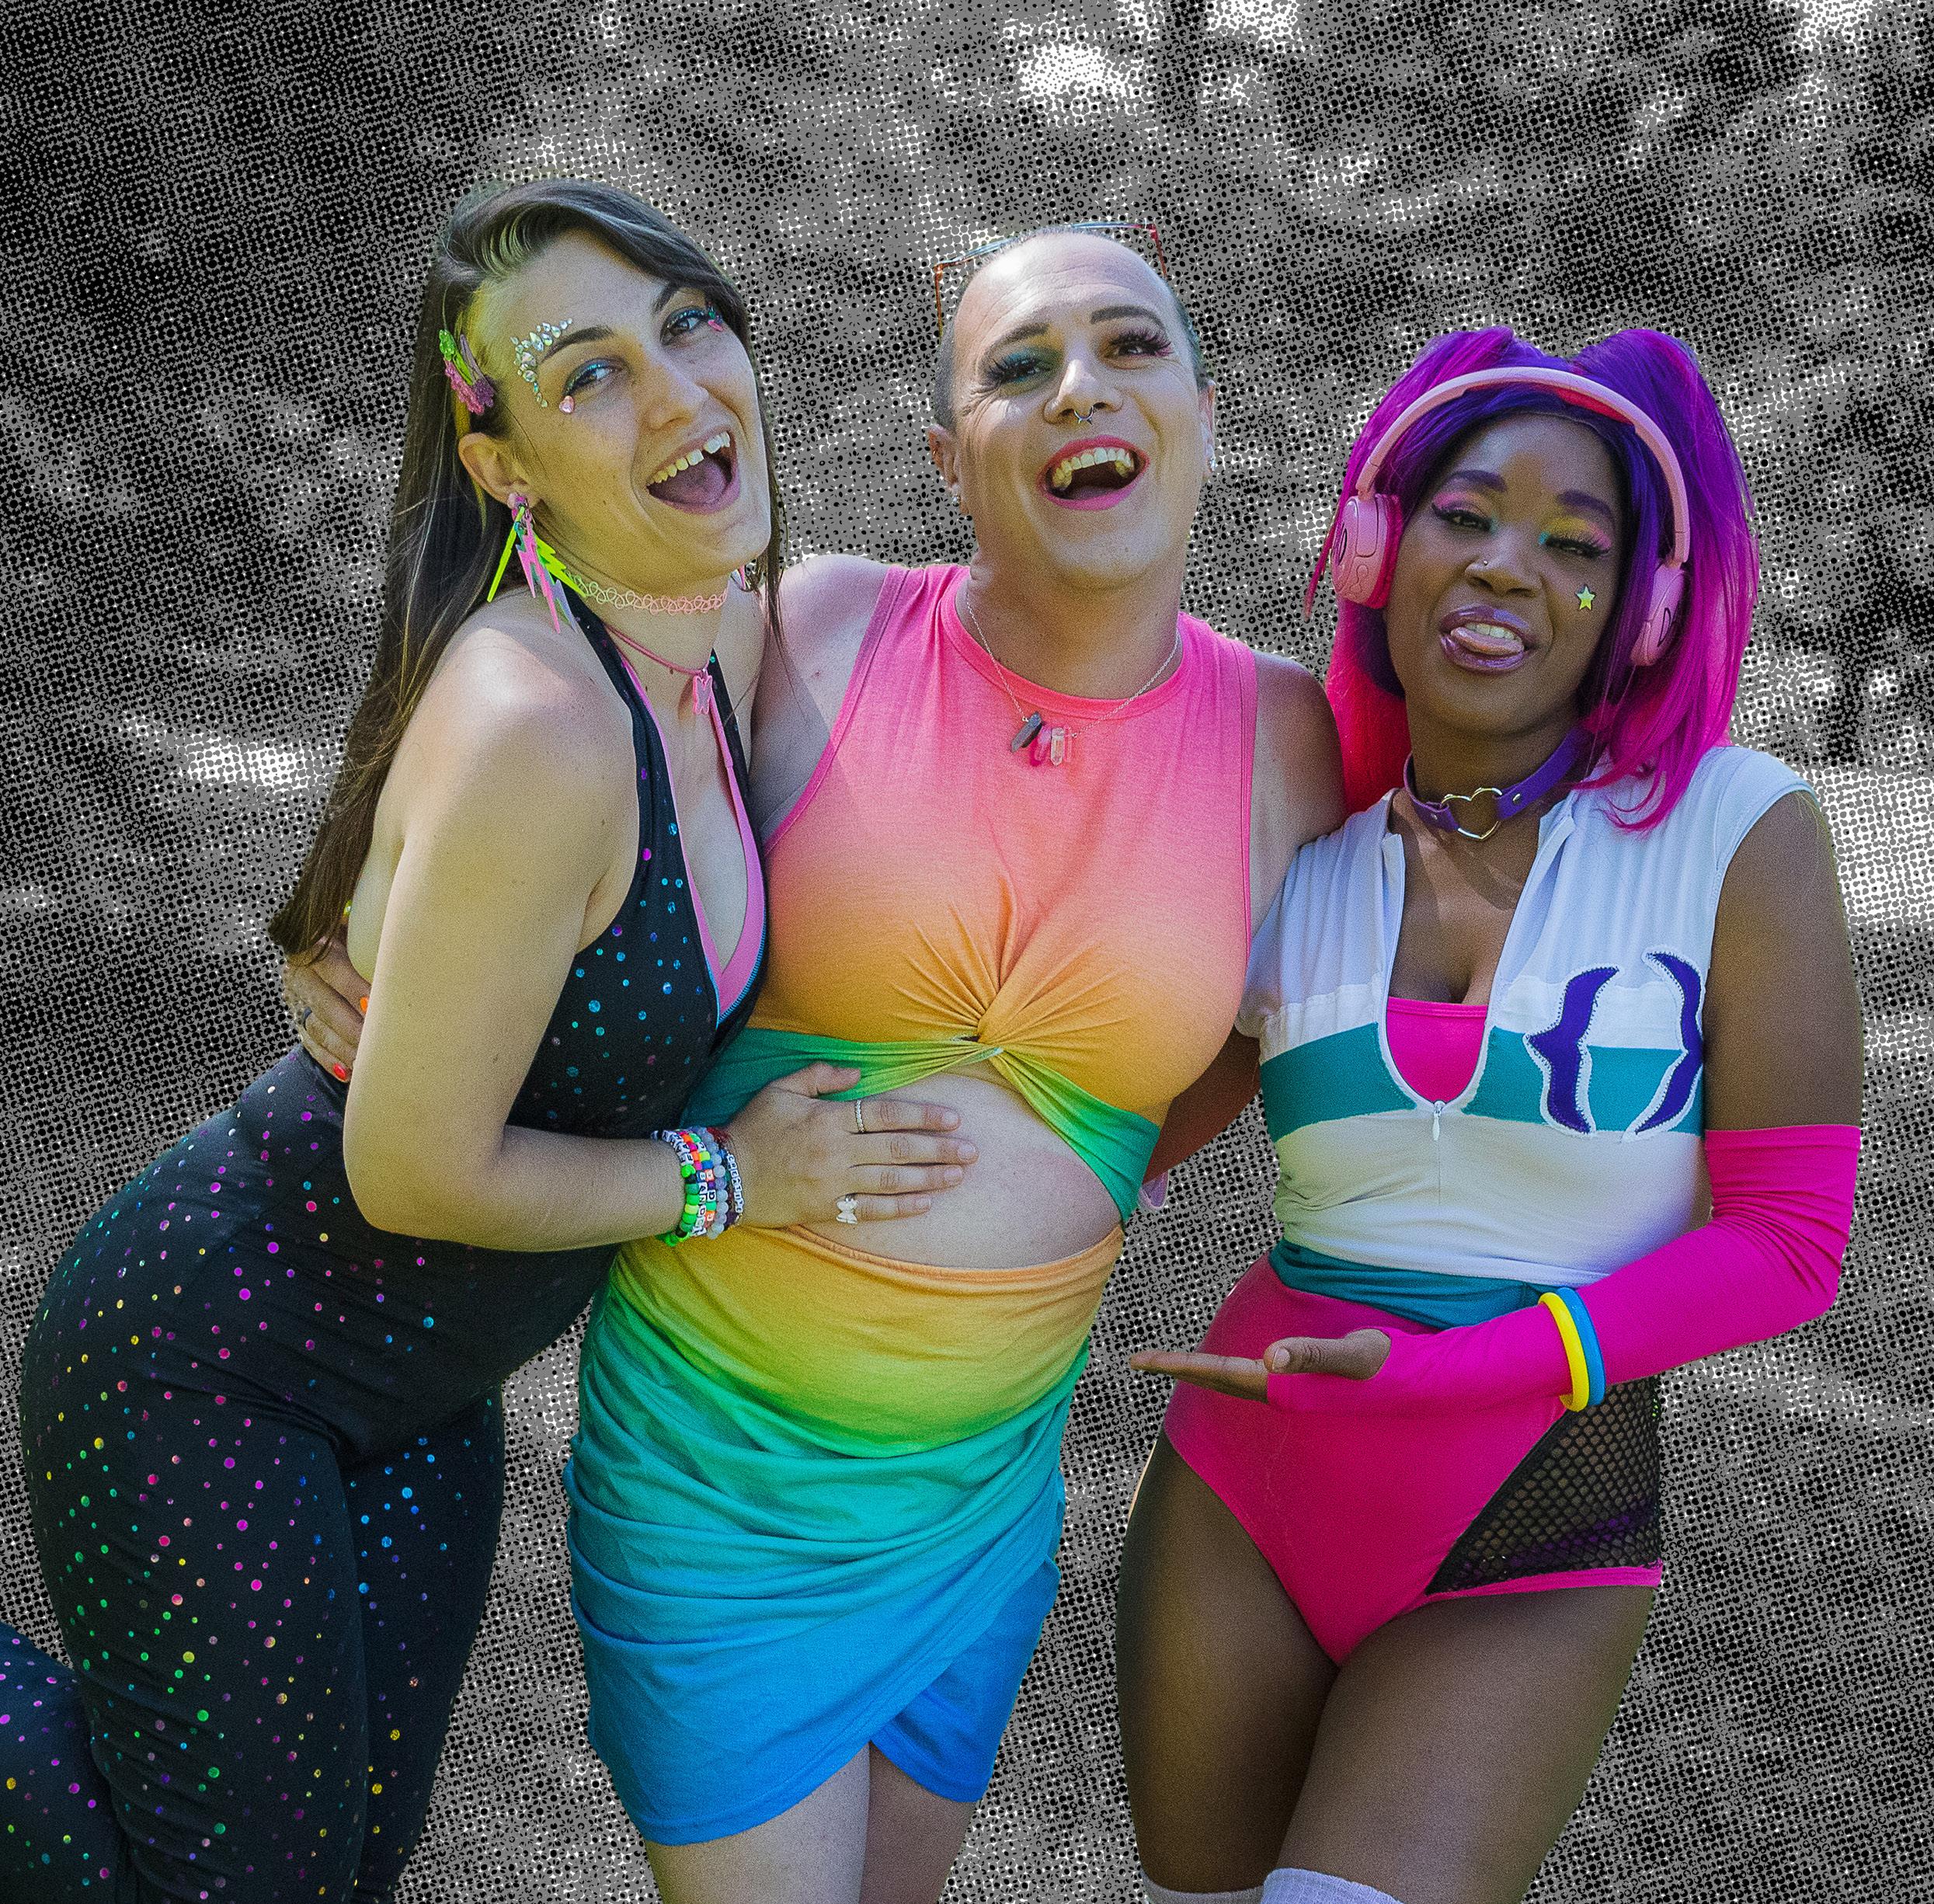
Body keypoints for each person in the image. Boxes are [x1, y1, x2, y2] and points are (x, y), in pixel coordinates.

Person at [293, 222, 1343, 1904]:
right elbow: (529, 697)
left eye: (1133, 346)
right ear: (949, 457)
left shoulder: (1293, 741)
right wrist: (346, 906)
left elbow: (1250, 1038)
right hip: (717, 1476)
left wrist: (1083, 1172)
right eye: (1018, 368)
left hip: (981, 1498)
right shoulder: (812, 630)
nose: (1082, 388)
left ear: (1206, 417)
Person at [0, 179, 972, 1904]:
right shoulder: (543, 721)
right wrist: (727, 1180)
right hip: (213, 1361)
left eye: (687, 323)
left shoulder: (720, 639)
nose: (674, 391)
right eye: (587, 373)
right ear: (504, 465)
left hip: (418, 1390)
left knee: (326, 1871)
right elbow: (412, 1164)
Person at [1116, 327, 1864, 1904]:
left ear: (1638, 611)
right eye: (1464, 514)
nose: (1508, 564)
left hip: (1533, 1505)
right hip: (1240, 1490)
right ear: (1374, 548)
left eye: (1574, 544)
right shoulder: (1299, 847)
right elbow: (1114, 1142)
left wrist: (1463, 1369)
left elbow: (1793, 1244)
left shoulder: (1737, 832)